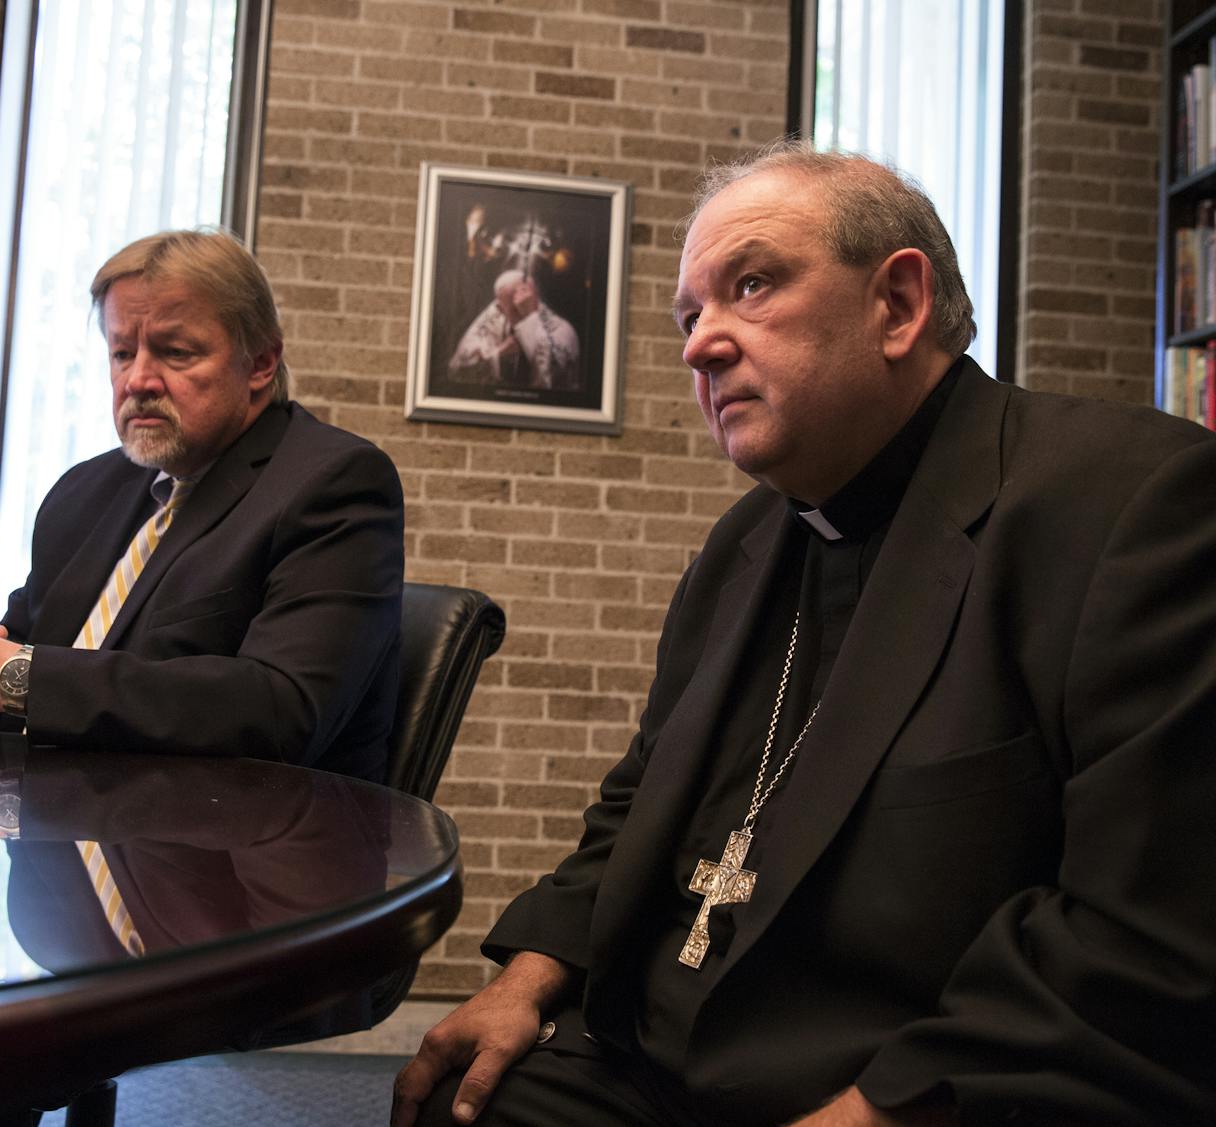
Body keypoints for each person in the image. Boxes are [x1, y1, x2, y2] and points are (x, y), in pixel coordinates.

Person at [393, 144, 1216, 1127]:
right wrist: (523, 979)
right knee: (456, 1098)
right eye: (688, 316)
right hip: (653, 1053)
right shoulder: (746, 539)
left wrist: (872, 1110)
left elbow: (1140, 934)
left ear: (897, 304)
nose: (700, 344)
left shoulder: (1131, 503)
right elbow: (635, 802)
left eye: (750, 285)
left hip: (904, 1075)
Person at [0, 227, 405, 886]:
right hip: (72, 868)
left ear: (262, 363)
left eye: (175, 352)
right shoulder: (87, 490)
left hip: (252, 898)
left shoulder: (334, 481)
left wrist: (8, 674)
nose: (138, 379)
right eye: (121, 351)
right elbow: (21, 649)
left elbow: (281, 711)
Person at [448, 269, 581, 391]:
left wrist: (530, 321)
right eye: (515, 310)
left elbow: (552, 382)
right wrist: (499, 353)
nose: (521, 314)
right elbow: (456, 369)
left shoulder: (561, 328)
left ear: (536, 298)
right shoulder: (494, 316)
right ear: (500, 307)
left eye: (526, 305)